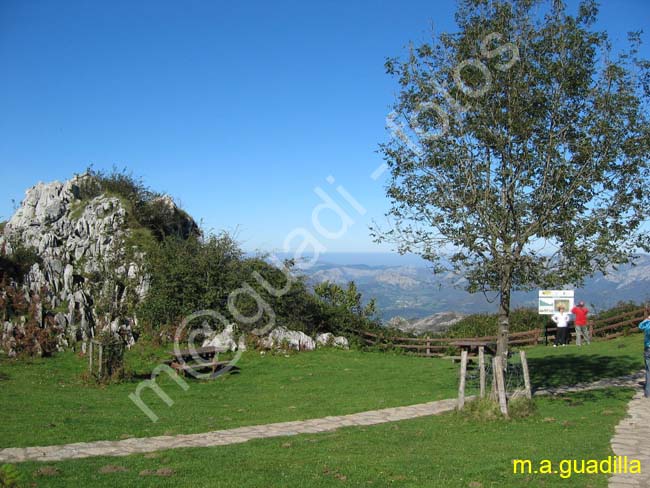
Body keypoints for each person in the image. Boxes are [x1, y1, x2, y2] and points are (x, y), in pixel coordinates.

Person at [639, 315, 650, 398]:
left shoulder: (647, 325)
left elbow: (640, 326)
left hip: (648, 349)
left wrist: (646, 319)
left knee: (648, 371)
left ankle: (648, 392)